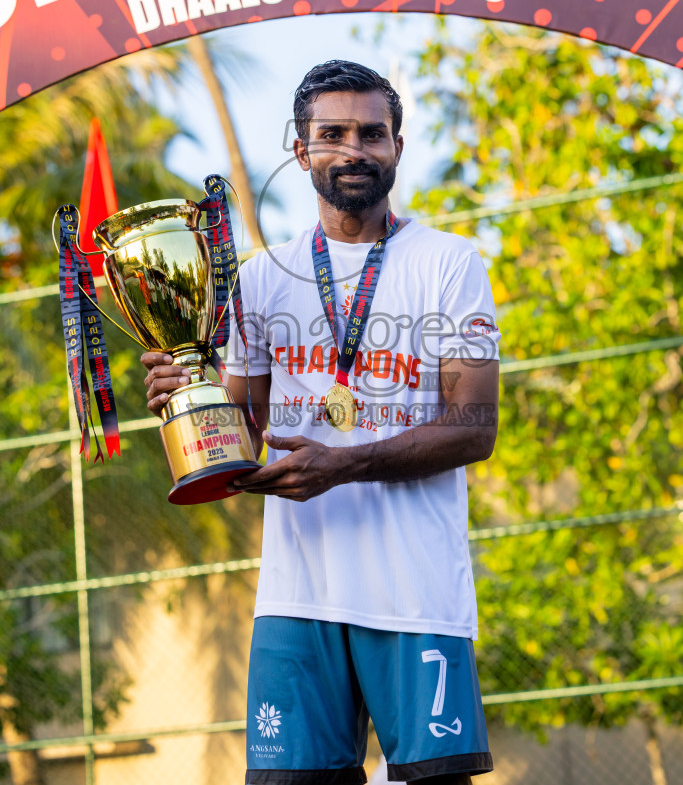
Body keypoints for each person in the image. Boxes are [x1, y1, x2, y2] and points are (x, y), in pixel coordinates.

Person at [141, 60, 501, 785]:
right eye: (331, 134)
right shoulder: (260, 277)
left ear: (397, 146)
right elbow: (244, 436)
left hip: (416, 593)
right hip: (297, 593)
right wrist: (190, 405)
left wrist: (345, 462)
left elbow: (473, 427)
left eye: (372, 133)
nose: (353, 149)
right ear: (300, 150)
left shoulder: (449, 264)